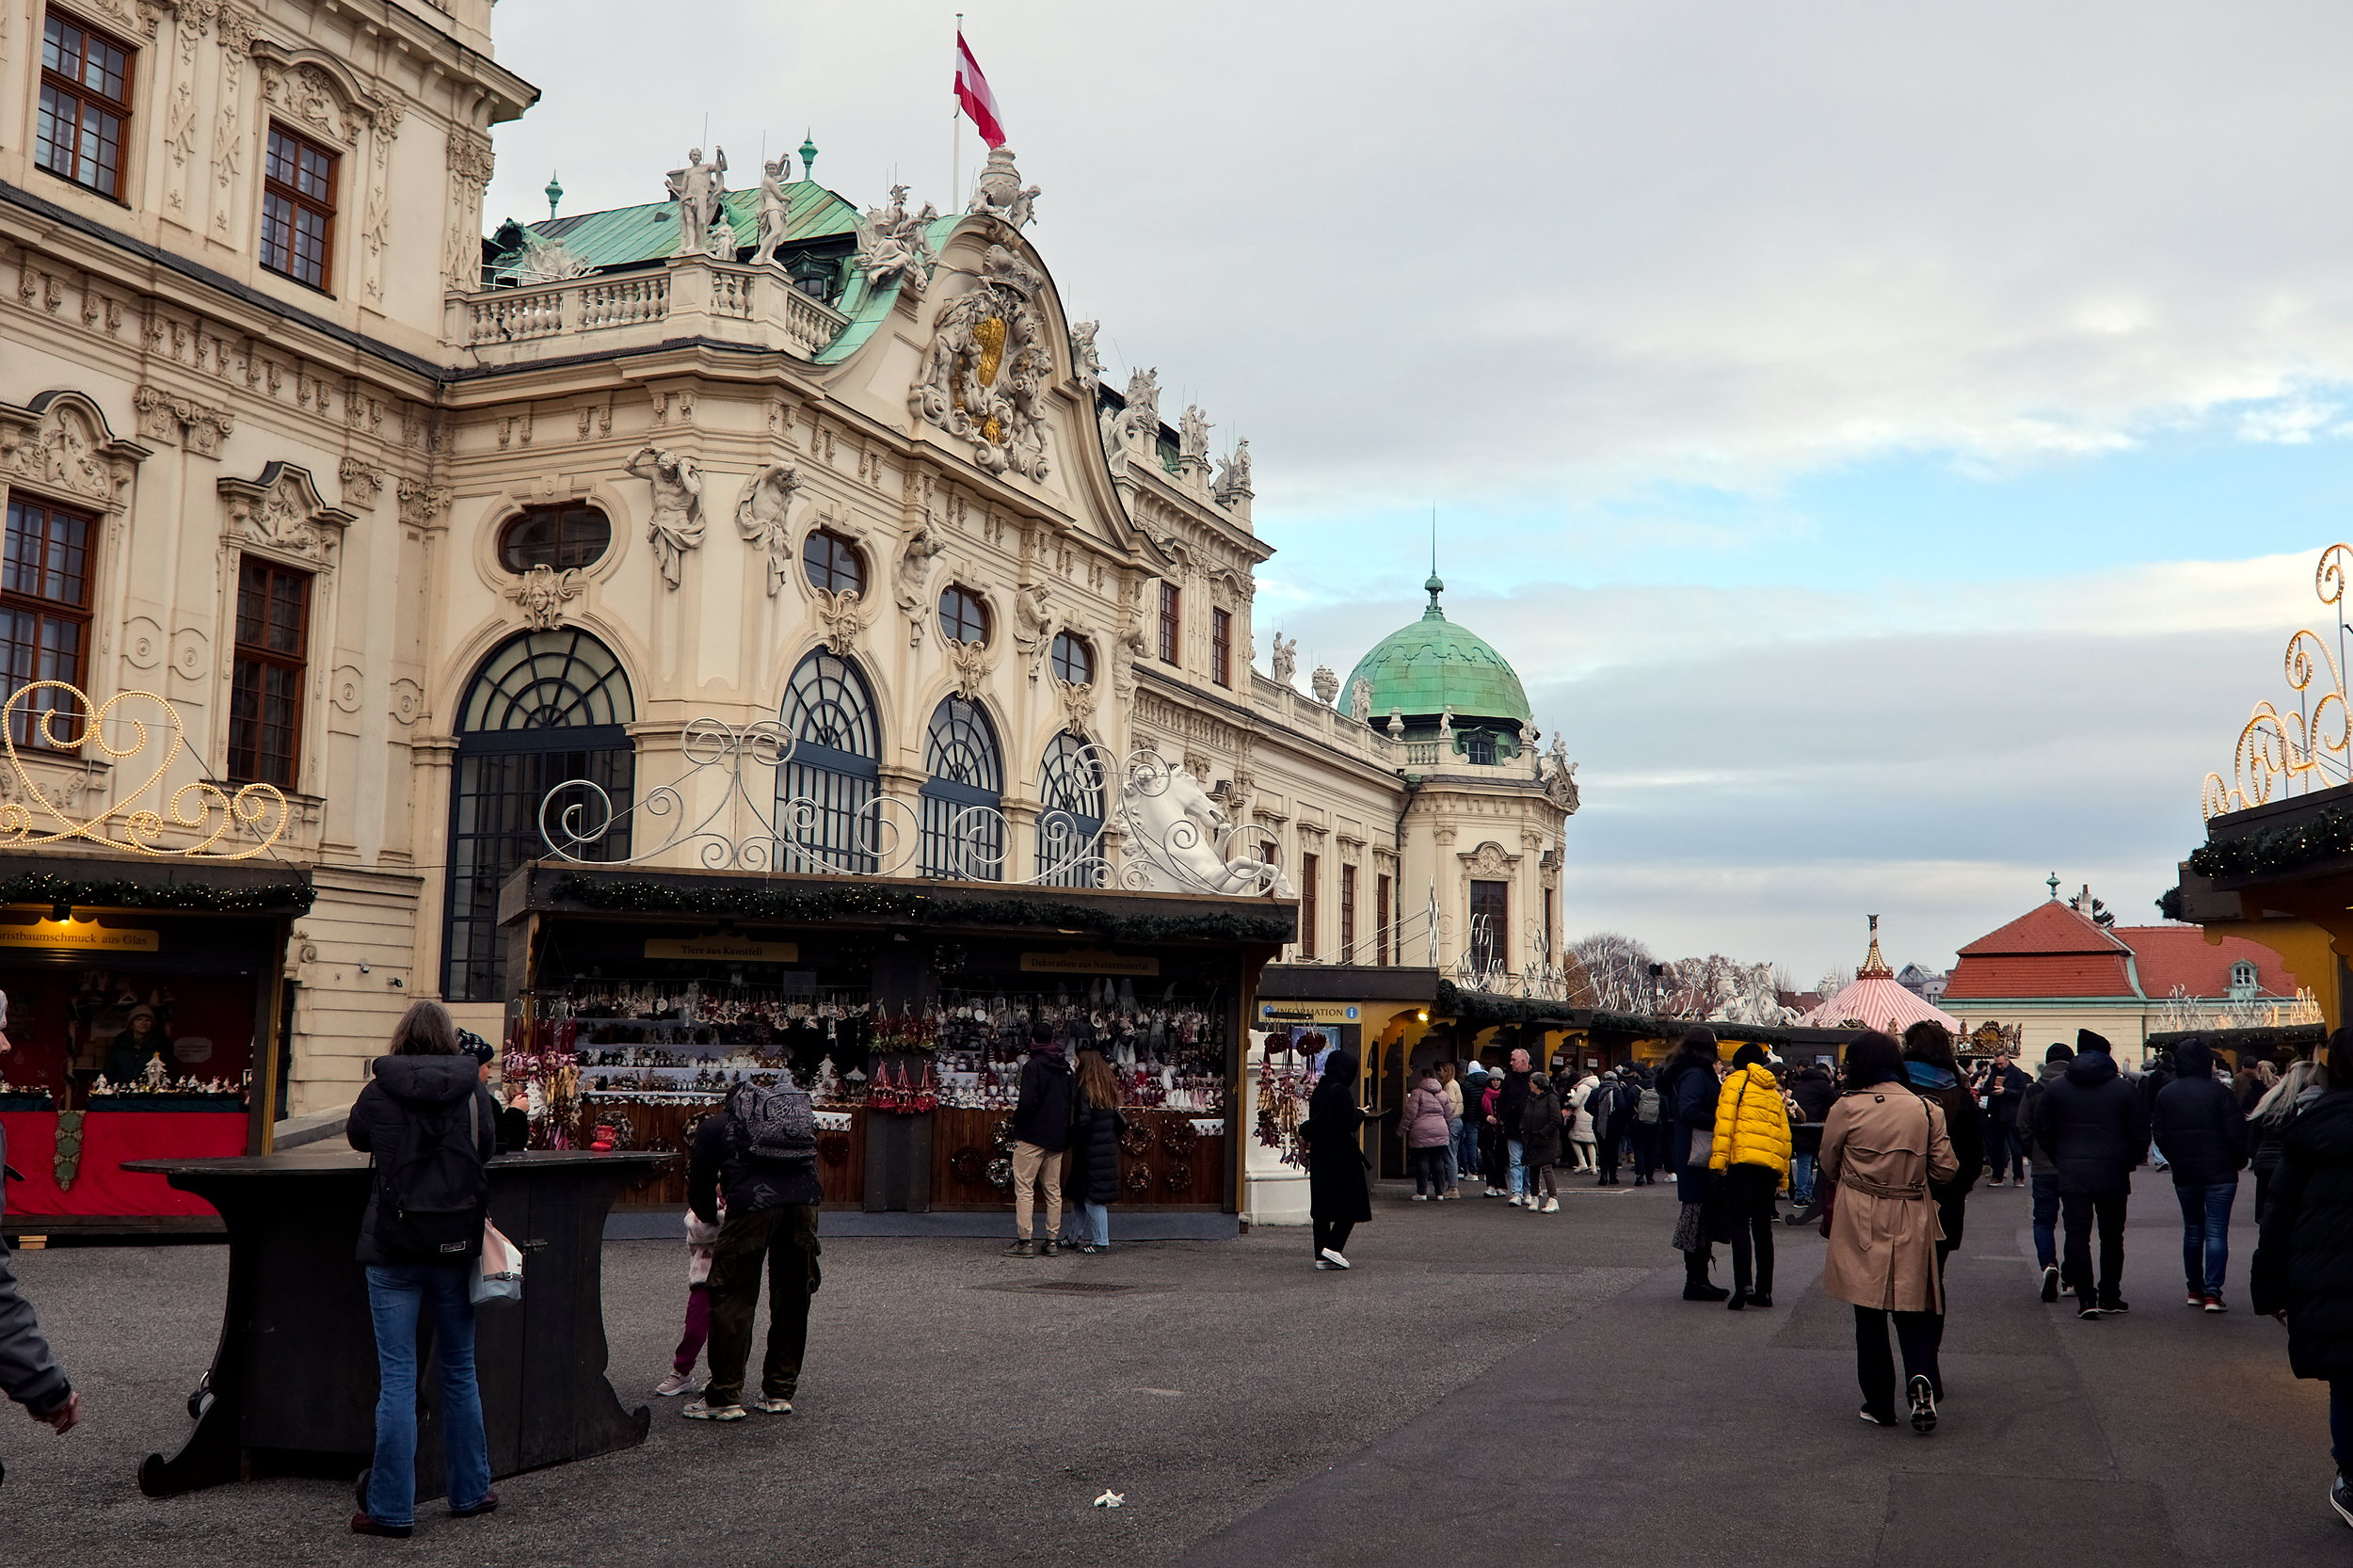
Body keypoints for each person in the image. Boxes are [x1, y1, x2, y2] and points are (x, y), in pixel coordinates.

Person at [345, 999, 504, 1537]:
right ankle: (470, 1490)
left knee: (398, 1378)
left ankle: (391, 1507)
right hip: (455, 1245)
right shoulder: (474, 1093)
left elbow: (359, 1138)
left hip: (392, 1244)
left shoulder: (378, 1089)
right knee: (459, 1369)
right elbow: (487, 1148)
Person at [1819, 1031, 1956, 1433]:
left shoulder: (1848, 1107)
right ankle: (1922, 1378)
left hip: (1860, 1211)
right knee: (1913, 1307)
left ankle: (1879, 1402)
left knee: (1869, 1312)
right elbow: (1946, 1169)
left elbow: (1829, 1162)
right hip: (1911, 1209)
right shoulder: (1926, 1109)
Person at [2250, 1028, 2353, 1531]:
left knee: (2347, 1378)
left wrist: (2269, 1288)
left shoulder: (2313, 1127)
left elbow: (2280, 1215)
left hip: (2328, 1274)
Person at [683, 1070, 823, 1422]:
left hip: (750, 1208)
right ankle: (779, 1391)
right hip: (803, 1208)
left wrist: (709, 1217)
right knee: (792, 1297)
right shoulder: (791, 1120)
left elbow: (699, 1184)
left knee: (734, 1298)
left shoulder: (717, 1126)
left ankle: (725, 1396)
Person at [2033, 1028, 2151, 1320]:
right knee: (2112, 1236)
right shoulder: (2123, 1089)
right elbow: (2139, 1132)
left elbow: (2042, 1129)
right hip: (2113, 1170)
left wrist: (2060, 1157)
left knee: (2077, 1235)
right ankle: (2110, 1294)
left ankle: (2086, 1298)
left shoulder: (2057, 1088)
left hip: (2072, 1169)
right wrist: (2128, 1161)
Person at [2150, 1037, 2248, 1312]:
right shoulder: (2220, 1093)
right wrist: (2237, 1160)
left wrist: (2176, 1159)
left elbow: (2160, 1135)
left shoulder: (2167, 1094)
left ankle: (2195, 1288)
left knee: (2193, 1230)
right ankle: (2213, 1293)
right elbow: (2236, 1133)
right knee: (2217, 1231)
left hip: (2185, 1171)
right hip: (2221, 1171)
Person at [1710, 1042, 1791, 1310]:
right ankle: (1765, 1291)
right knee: (1763, 1228)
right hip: (1768, 1166)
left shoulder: (1735, 1082)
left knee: (1739, 1225)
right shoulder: (1772, 1090)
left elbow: (1725, 1124)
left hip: (1742, 1162)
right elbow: (1783, 1134)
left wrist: (1719, 1162)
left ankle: (1743, 1285)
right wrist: (1783, 1176)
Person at [1902, 1021, 1983, 1288]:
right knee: (1934, 1280)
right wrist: (1958, 1188)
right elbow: (1973, 1155)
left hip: (1897, 1196)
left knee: (1897, 1276)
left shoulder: (1897, 1091)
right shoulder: (1958, 1095)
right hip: (1945, 1198)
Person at [1663, 1029, 1729, 1301]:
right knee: (1696, 1217)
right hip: (1697, 1154)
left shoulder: (1692, 1071)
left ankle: (1699, 1279)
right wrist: (1720, 1123)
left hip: (1693, 1152)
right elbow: (1688, 1109)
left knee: (1699, 1217)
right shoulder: (1695, 1074)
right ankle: (1696, 1281)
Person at [1304, 1049, 1382, 1269]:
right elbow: (1346, 1122)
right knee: (1352, 1200)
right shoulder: (1342, 1092)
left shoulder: (1320, 1090)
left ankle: (1321, 1255)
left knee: (1322, 1205)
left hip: (1321, 1151)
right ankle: (1333, 1247)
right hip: (1341, 1152)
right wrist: (1360, 1113)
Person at [1003, 1022, 1072, 1258]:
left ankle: (1025, 1241)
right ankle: (1051, 1240)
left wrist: (1018, 1125)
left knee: (1024, 1187)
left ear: (1033, 1039)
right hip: (1056, 1136)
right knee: (1053, 1190)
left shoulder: (1033, 1066)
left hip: (1032, 1135)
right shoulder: (1065, 1068)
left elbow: (1027, 1103)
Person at [2017, 1044, 2074, 1302]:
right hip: (2073, 1165)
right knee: (2075, 1223)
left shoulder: (2033, 1090)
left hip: (2042, 1165)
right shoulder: (2078, 1088)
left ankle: (2048, 1265)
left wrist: (2033, 1153)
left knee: (2043, 1220)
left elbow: (2023, 1128)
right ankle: (2071, 1277)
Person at [653, 1199, 722, 1398]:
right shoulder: (707, 1201)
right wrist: (724, 1220)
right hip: (704, 1278)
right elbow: (697, 1230)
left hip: (733, 1275)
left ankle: (718, 1375)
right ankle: (682, 1372)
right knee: (694, 1329)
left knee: (726, 1329)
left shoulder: (741, 1195)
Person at [1064, 1048, 1128, 1251]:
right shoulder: (1106, 1086)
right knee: (1083, 1196)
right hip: (1104, 1148)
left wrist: (1069, 1140)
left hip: (1088, 1150)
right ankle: (1073, 1237)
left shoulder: (1084, 1088)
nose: (1074, 1063)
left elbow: (1083, 1121)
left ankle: (1101, 1241)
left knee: (1090, 1198)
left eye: (1077, 1061)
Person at [2253, 1060, 2327, 1224]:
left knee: (2267, 1214)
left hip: (2264, 1160)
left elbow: (2254, 1130)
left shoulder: (2271, 1097)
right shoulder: (2308, 1100)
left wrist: (2257, 1152)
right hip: (2286, 1161)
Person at [1787, 1062, 1837, 1216]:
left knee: (1804, 1160)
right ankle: (1803, 1195)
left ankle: (1804, 1192)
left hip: (1798, 1126)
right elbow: (1834, 1103)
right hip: (1813, 1128)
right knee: (1810, 1161)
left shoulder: (1800, 1084)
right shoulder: (1822, 1085)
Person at [1976, 1050, 2031, 1186]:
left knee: (2014, 1147)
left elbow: (2022, 1092)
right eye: (1997, 1063)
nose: (1999, 1066)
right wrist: (1979, 1091)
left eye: (2001, 1063)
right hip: (1996, 1113)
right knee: (1996, 1147)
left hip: (2011, 1114)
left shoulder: (2016, 1072)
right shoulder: (1994, 1071)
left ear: (2007, 1060)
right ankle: (1997, 1175)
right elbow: (1988, 1088)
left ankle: (2018, 1177)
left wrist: (2005, 1092)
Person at [1403, 1069, 1454, 1202]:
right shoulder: (1443, 1094)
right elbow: (1449, 1115)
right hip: (1441, 1130)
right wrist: (1448, 1129)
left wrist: (1401, 1129)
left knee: (1422, 1160)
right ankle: (1440, 1193)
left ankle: (1422, 1192)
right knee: (1438, 1161)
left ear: (1422, 1077)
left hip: (1421, 1131)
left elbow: (1410, 1114)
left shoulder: (1417, 1093)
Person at [1493, 1048, 1535, 1206]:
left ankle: (1528, 1191)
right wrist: (1504, 1117)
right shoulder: (1509, 1079)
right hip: (1512, 1126)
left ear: (1524, 1061)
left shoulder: (1535, 1077)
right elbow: (1502, 1100)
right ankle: (1516, 1192)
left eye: (1513, 1060)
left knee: (1529, 1161)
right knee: (1515, 1161)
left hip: (1530, 1127)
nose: (1510, 1063)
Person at [1520, 1071, 1563, 1213]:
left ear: (1538, 1083)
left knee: (1546, 1167)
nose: (1529, 1084)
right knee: (1533, 1166)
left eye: (1531, 1081)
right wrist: (1523, 1128)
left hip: (1546, 1139)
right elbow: (1525, 1116)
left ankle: (1553, 1198)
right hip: (1531, 1138)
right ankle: (1534, 1196)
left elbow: (1556, 1119)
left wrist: (1543, 1133)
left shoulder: (1551, 1098)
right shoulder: (1531, 1098)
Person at [103, 1005, 170, 1084]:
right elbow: (109, 1069)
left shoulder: (161, 1045)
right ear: (132, 1024)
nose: (144, 1023)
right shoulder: (120, 1044)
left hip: (148, 1091)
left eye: (148, 1020)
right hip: (122, 1091)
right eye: (139, 1020)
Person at [1589, 1069, 1628, 1186]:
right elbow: (1622, 1106)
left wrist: (1598, 1113)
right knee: (1613, 1150)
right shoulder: (1617, 1092)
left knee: (1602, 1150)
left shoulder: (1595, 1092)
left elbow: (1587, 1107)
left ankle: (1603, 1176)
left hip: (1599, 1125)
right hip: (1615, 1126)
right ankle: (1612, 1176)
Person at [1457, 1063, 1491, 1195]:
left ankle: (1472, 1170)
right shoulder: (1488, 1082)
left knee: (1470, 1144)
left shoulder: (1466, 1084)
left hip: (1470, 1118)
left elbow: (1463, 1102)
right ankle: (1485, 1171)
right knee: (1484, 1145)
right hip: (1484, 1117)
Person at [1628, 1064, 1664, 1185]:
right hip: (1655, 1123)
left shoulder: (1635, 1088)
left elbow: (1626, 1105)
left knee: (1639, 1149)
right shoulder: (1658, 1088)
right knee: (1652, 1149)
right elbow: (1664, 1106)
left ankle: (1640, 1174)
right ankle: (1650, 1176)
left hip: (1638, 1123)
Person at [1565, 1064, 1601, 1175]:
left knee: (1573, 1138)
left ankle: (1582, 1163)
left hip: (1580, 1116)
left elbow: (1576, 1102)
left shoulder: (1583, 1087)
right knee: (1590, 1142)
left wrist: (1569, 1101)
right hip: (1591, 1116)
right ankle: (1593, 1166)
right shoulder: (1598, 1085)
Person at [1435, 1061, 1465, 1193]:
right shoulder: (1455, 1084)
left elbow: (1450, 1105)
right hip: (1458, 1121)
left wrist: (1444, 1117)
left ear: (1446, 1071)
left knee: (1450, 1155)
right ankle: (1453, 1186)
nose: (1439, 1073)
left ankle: (1453, 1187)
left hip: (1452, 1121)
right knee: (1453, 1153)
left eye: (1441, 1070)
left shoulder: (1448, 1086)